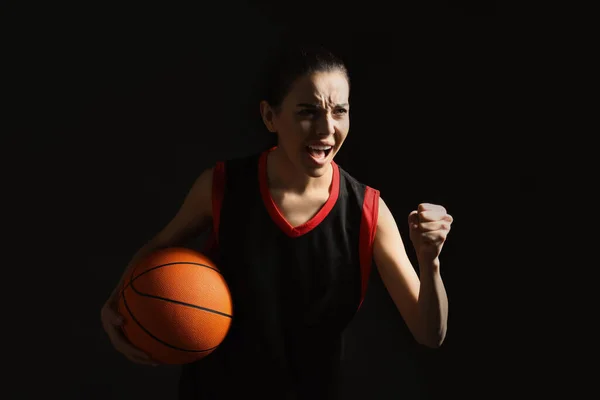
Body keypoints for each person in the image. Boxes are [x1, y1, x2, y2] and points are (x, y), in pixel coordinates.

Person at [100, 36, 453, 399]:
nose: (326, 129)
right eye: (307, 111)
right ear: (270, 116)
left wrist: (430, 261)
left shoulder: (368, 212)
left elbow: (430, 333)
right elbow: (159, 246)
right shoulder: (222, 187)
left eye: (339, 111)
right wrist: (115, 305)